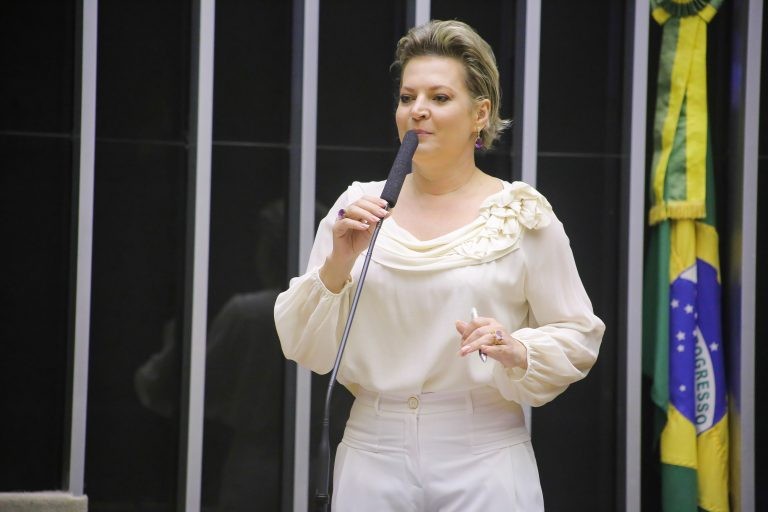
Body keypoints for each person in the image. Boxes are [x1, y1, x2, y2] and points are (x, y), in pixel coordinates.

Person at [275, 19, 605, 511]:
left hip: (484, 452)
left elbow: (578, 334)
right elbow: (303, 344)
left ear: (480, 114)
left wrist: (517, 348)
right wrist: (339, 261)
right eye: (407, 98)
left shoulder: (521, 214)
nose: (418, 111)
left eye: (440, 97)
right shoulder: (356, 208)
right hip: (372, 449)